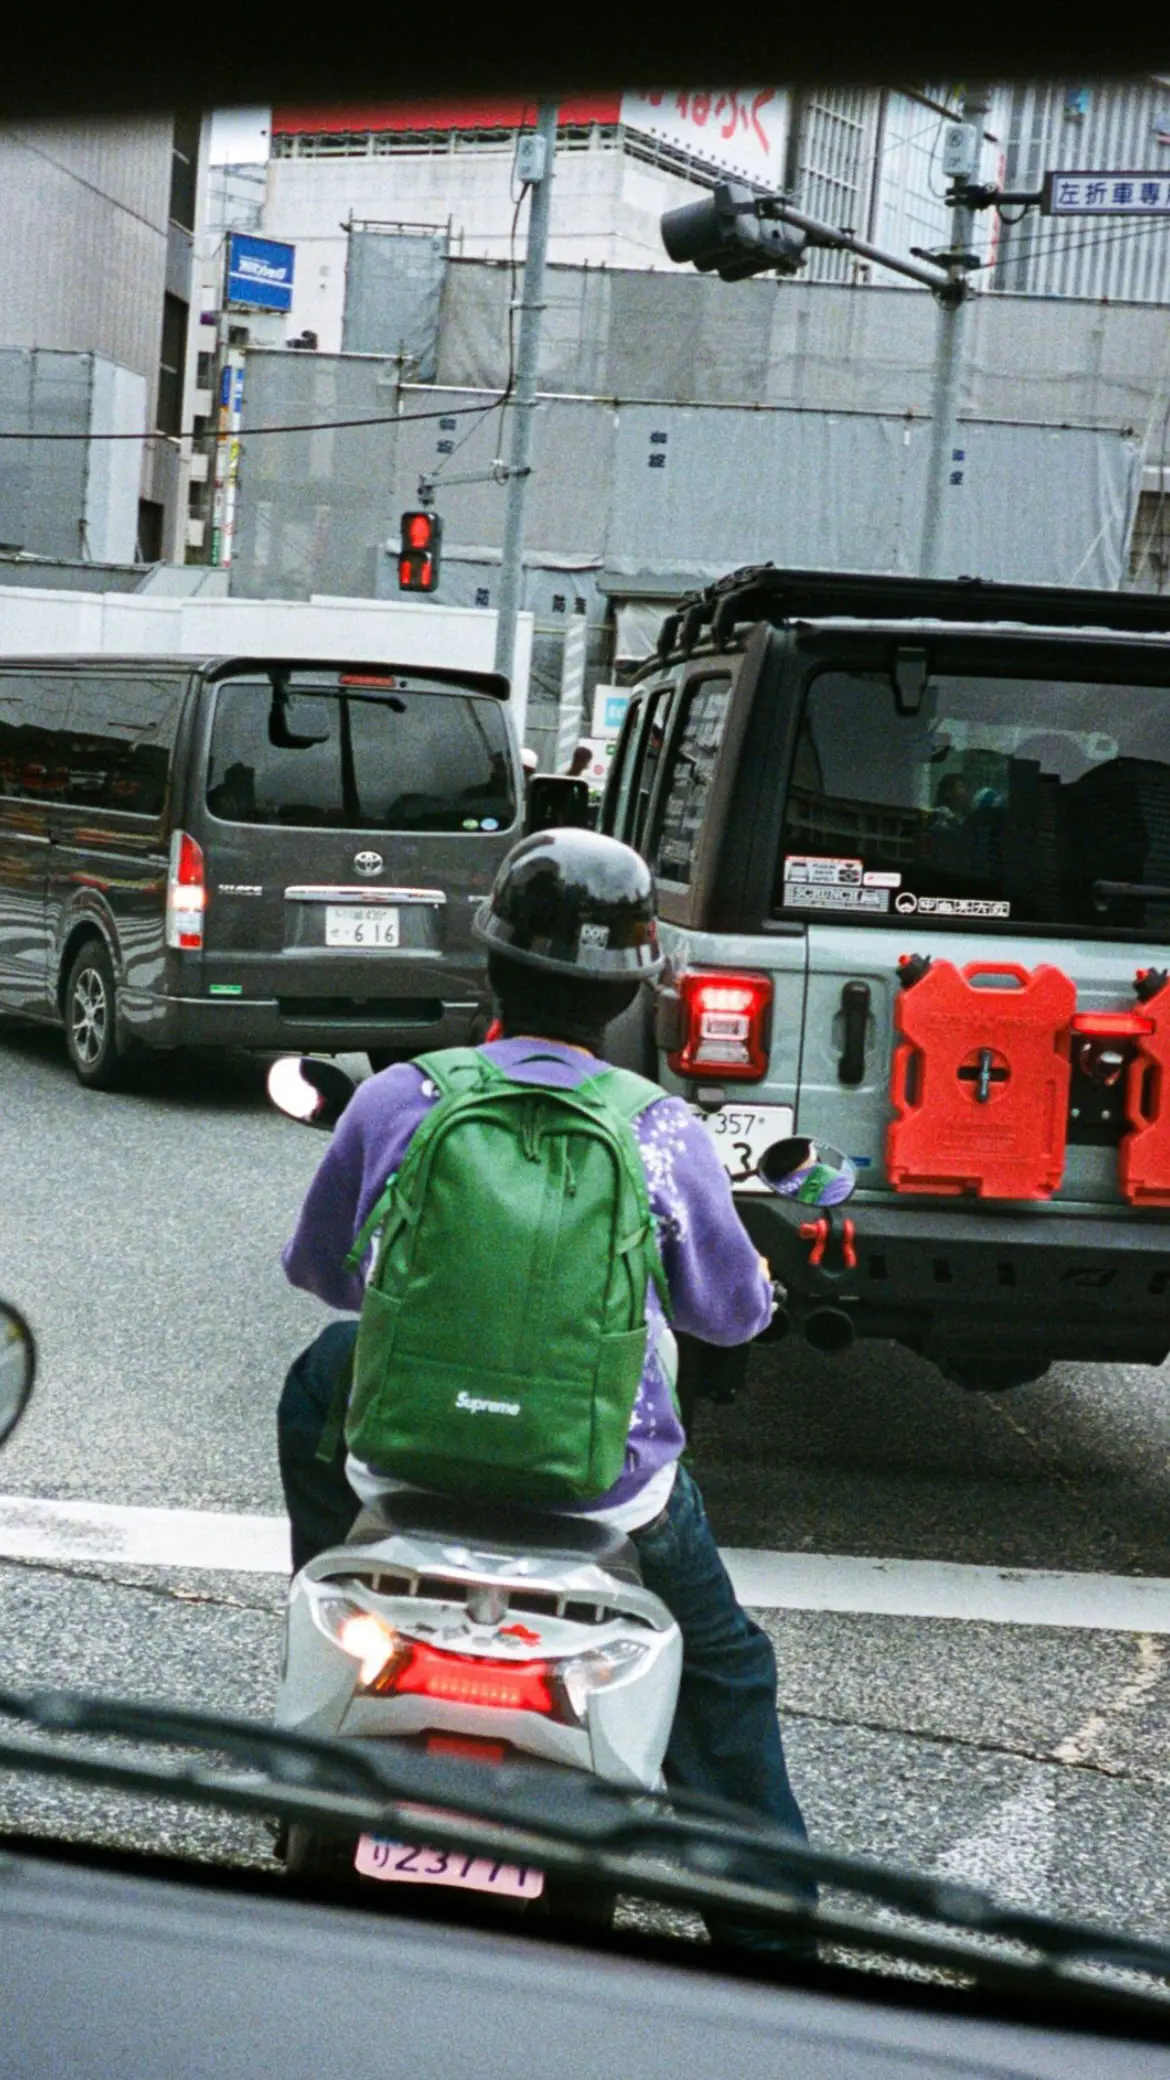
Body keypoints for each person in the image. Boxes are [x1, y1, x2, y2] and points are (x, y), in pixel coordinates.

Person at [277, 828, 814, 1952]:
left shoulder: (400, 1099)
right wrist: (759, 1289)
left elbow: (322, 1274)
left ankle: (338, 1597)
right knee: (727, 1673)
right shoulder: (661, 1131)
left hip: (404, 1457)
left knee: (317, 1380)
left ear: (492, 966)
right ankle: (773, 1946)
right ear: (630, 984)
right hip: (600, 1489)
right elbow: (723, 1314)